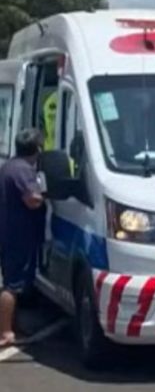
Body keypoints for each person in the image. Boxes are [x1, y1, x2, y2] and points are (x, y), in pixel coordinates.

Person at [0, 129, 46, 347]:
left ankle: (13, 325)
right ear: (37, 149)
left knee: (13, 282)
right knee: (12, 285)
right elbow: (32, 200)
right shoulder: (23, 171)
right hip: (17, 235)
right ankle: (6, 331)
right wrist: (44, 195)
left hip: (9, 231)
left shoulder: (10, 165)